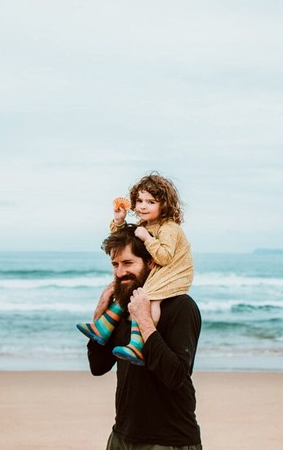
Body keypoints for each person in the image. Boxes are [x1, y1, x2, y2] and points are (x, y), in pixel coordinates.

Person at [87, 225, 202, 450]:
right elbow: (98, 366)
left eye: (128, 263)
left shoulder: (181, 306)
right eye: (115, 264)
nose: (120, 272)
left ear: (151, 263)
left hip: (169, 440)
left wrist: (145, 321)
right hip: (122, 436)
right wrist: (100, 310)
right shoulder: (121, 307)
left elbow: (175, 375)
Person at [77, 172, 194, 366]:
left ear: (164, 204)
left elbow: (165, 257)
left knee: (149, 299)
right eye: (139, 201)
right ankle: (102, 327)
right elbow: (99, 367)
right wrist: (119, 221)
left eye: (150, 202)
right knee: (133, 297)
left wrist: (147, 239)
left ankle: (138, 343)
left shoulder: (169, 228)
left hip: (173, 272)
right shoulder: (144, 225)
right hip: (125, 397)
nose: (142, 206)